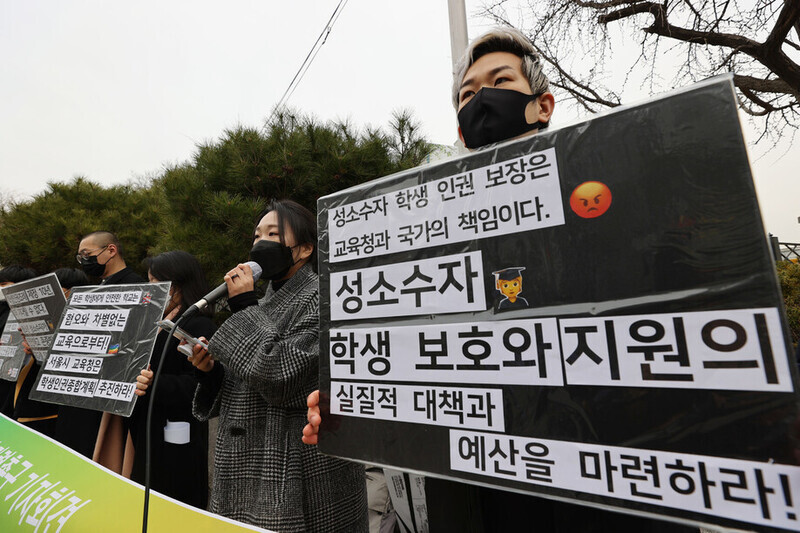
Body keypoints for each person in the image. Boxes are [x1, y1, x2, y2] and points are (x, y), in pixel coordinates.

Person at [305, 27, 696, 533]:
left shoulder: (611, 201)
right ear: (461, 129)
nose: (481, 99)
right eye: (467, 95)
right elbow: (405, 351)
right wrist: (354, 403)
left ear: (543, 105)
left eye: (500, 81)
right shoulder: (424, 240)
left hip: (605, 484)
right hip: (471, 490)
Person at [189, 199, 367, 531]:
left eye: (273, 234)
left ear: (303, 249)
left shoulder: (325, 296)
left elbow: (282, 376)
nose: (260, 243)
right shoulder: (265, 299)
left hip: (295, 465)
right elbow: (249, 374)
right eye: (257, 235)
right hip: (245, 463)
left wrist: (243, 305)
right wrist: (212, 373)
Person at [130, 250, 215, 508]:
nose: (151, 289)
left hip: (179, 434)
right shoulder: (150, 322)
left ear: (178, 285)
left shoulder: (200, 326)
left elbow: (201, 386)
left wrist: (154, 383)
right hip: (145, 429)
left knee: (174, 500)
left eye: (156, 283)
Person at [77, 231, 145, 474]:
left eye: (88, 255)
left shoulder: (136, 287)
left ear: (111, 250)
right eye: (80, 257)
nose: (84, 261)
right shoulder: (96, 289)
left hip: (112, 394)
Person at [76, 231, 144, 285]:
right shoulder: (102, 286)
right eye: (81, 257)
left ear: (111, 251)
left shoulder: (135, 286)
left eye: (86, 254)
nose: (83, 260)